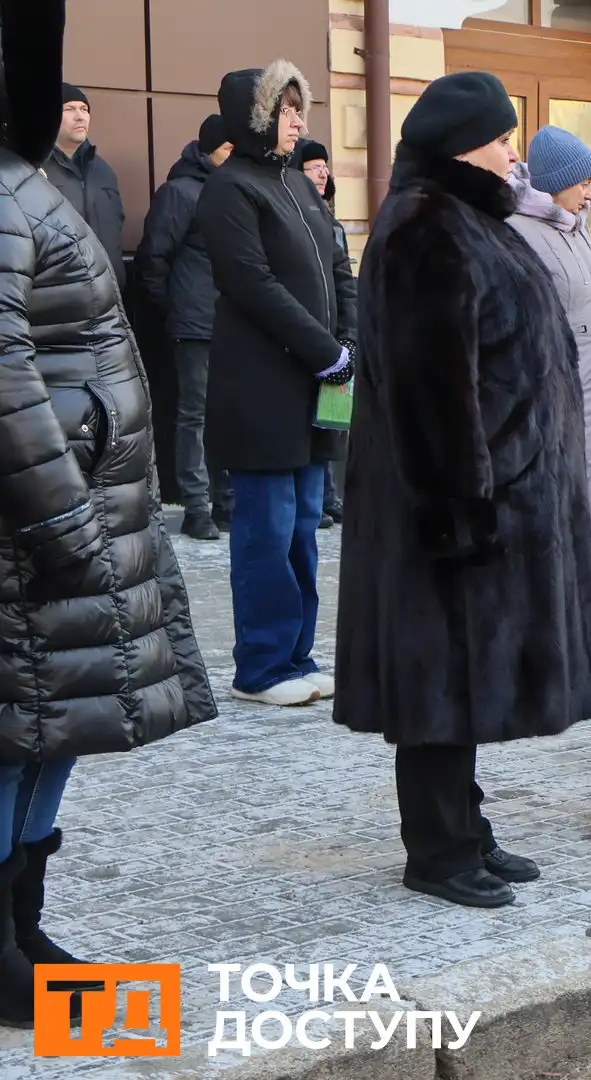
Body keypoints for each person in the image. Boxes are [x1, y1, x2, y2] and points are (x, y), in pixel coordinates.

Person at [334, 72, 591, 908]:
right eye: (499, 140)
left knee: (464, 677)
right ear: (460, 148)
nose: (512, 153)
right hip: (447, 505)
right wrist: (460, 509)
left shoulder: (471, 220)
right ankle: (438, 850)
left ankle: (467, 830)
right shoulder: (424, 226)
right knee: (438, 681)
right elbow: (428, 388)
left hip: (493, 495)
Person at [0, 0, 215, 1025]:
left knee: (56, 729)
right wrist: (60, 525)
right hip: (37, 531)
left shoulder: (22, 183)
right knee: (20, 731)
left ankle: (22, 925)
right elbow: (3, 382)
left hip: (80, 512)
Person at [196, 60, 358, 707]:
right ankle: (261, 666)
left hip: (313, 387)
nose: (298, 121)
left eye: (301, 108)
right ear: (257, 116)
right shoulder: (230, 189)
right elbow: (252, 284)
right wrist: (326, 350)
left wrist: (348, 343)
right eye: (286, 110)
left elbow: (339, 269)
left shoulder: (296, 186)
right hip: (261, 390)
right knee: (267, 530)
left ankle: (295, 653)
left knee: (303, 531)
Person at [508, 126, 591, 538]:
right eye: (583, 184)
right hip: (556, 388)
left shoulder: (577, 227)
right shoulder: (521, 232)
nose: (589, 195)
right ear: (556, 183)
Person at [135, 114, 233, 541]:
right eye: (228, 149)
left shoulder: (234, 192)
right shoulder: (180, 192)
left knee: (228, 416)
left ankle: (226, 500)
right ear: (209, 149)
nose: (234, 157)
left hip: (233, 326)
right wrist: (174, 307)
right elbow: (153, 258)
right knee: (193, 416)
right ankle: (197, 507)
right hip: (195, 323)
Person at [290, 138, 351, 530]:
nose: (322, 171)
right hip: (306, 333)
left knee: (332, 417)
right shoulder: (292, 213)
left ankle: (330, 495)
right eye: (313, 166)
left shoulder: (332, 220)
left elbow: (344, 276)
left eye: (324, 166)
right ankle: (320, 498)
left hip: (335, 333)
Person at [44, 82, 125, 294]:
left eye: (84, 109)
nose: (80, 116)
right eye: (69, 109)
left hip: (108, 295)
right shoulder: (33, 170)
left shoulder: (104, 171)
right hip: (56, 296)